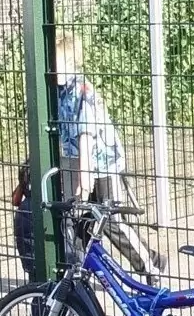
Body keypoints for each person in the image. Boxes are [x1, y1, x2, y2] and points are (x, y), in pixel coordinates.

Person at [53, 30, 166, 285]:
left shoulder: (81, 89)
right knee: (78, 220)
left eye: (56, 62)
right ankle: (77, 275)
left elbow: (86, 133)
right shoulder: (58, 89)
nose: (52, 68)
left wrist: (85, 176)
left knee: (112, 219)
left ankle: (151, 265)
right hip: (76, 161)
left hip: (102, 162)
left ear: (70, 61)